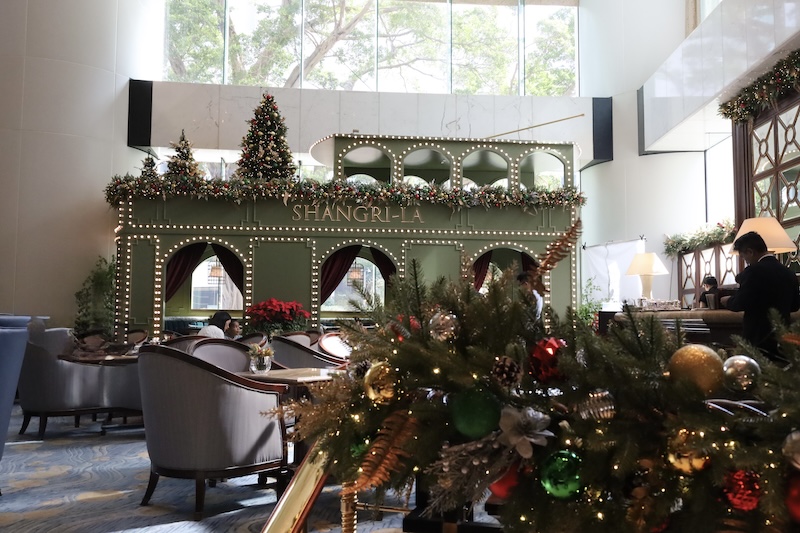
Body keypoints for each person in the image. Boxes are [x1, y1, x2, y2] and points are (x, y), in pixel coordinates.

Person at [720, 231, 800, 362]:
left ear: (750, 252)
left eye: (744, 257)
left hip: (757, 339)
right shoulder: (789, 273)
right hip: (783, 340)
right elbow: (795, 306)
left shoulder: (754, 271)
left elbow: (740, 303)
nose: (746, 262)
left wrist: (727, 300)